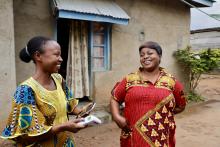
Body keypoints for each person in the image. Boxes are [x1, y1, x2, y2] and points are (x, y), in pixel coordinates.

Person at [1, 36, 87, 146]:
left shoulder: (59, 79)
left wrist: (82, 113)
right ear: (38, 56)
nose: (61, 59)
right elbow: (28, 135)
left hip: (65, 143)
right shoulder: (26, 90)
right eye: (56, 54)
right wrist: (64, 126)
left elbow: (70, 105)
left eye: (60, 55)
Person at [110, 41, 186, 147]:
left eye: (150, 53)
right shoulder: (130, 79)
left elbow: (181, 105)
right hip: (133, 137)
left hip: (161, 137)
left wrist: (161, 114)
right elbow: (115, 98)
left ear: (159, 56)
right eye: (142, 55)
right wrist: (117, 117)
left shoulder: (171, 81)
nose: (145, 57)